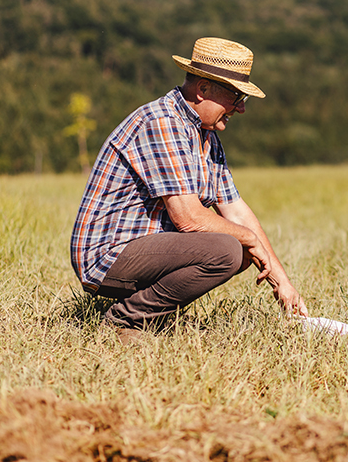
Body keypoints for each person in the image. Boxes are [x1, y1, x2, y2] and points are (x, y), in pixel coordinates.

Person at [70, 37, 307, 338]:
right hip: (107, 255)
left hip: (144, 248)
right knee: (227, 250)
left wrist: (282, 281)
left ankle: (152, 314)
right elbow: (189, 218)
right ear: (203, 89)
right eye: (236, 97)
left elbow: (236, 211)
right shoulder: (162, 122)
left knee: (238, 247)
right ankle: (128, 319)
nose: (241, 109)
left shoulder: (206, 137)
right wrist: (249, 240)